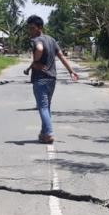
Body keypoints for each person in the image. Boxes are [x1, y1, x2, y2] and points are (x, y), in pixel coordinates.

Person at [23, 15, 78, 144]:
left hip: (40, 79)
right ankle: (43, 133)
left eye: (32, 28)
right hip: (51, 79)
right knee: (46, 107)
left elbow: (40, 49)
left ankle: (48, 133)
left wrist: (36, 60)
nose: (30, 31)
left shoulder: (37, 40)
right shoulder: (52, 40)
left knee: (42, 107)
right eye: (29, 28)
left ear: (40, 28)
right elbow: (61, 57)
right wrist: (71, 71)